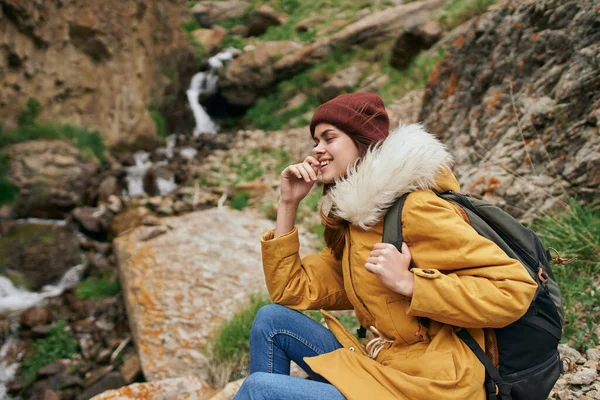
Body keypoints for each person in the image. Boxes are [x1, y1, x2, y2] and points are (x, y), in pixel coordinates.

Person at [233, 92, 538, 400]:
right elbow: (291, 290)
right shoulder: (359, 225)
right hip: (383, 368)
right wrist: (288, 204)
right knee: (271, 321)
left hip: (432, 387)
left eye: (329, 138)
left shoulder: (415, 210)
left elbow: (513, 290)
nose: (317, 150)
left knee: (259, 390)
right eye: (315, 141)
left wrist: (410, 283)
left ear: (362, 140)